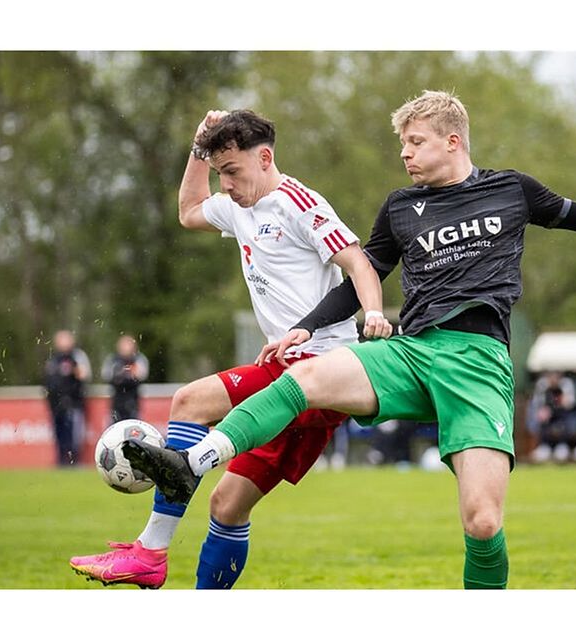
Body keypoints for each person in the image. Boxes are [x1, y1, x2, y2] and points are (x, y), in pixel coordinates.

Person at [123, 90, 576, 589]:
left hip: (478, 362)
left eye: (414, 142)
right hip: (412, 353)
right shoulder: (400, 207)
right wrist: (308, 326)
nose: (406, 155)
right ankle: (190, 464)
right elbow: (363, 272)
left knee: (482, 520)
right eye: (402, 146)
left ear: (453, 139)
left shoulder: (511, 190)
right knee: (306, 377)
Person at [70, 109, 390, 589]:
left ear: (265, 158)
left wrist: (374, 313)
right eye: (220, 173)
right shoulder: (237, 205)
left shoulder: (298, 203)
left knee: (189, 402)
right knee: (227, 505)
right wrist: (198, 149)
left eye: (233, 172)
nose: (227, 185)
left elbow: (359, 264)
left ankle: (151, 552)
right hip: (287, 370)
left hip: (320, 372)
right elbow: (188, 210)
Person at [44, 329, 92, 466]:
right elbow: (48, 380)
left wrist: (72, 371)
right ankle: (61, 461)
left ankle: (74, 461)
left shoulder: (77, 356)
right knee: (59, 434)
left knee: (73, 435)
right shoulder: (53, 358)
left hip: (73, 403)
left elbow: (84, 375)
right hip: (56, 405)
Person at [527, 371, 576, 463]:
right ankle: (545, 446)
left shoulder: (566, 385)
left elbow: (569, 404)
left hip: (563, 418)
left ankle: (563, 447)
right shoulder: (543, 386)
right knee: (542, 420)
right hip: (548, 420)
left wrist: (554, 409)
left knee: (564, 423)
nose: (553, 378)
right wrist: (543, 412)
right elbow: (537, 406)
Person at [101, 334, 150, 423]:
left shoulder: (139, 359)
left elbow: (141, 375)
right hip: (117, 401)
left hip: (133, 401)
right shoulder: (112, 359)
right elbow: (106, 375)